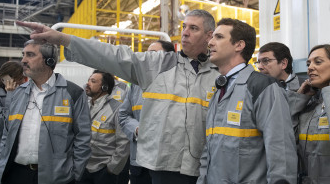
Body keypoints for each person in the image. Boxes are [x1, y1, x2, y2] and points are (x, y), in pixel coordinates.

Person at [17, 9, 220, 184]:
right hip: (165, 168)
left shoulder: (220, 73)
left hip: (206, 167)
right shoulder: (159, 65)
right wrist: (62, 38)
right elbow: (112, 55)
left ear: (209, 35)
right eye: (184, 27)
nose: (185, 33)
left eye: (193, 28)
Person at [197, 18, 297, 184]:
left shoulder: (262, 87)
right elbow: (210, 147)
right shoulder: (219, 89)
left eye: (219, 37)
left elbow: (280, 148)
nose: (210, 43)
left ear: (239, 45)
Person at [0, 40, 91, 184]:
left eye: (30, 55)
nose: (23, 60)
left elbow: (83, 138)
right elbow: (7, 134)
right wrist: (1, 162)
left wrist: (74, 173)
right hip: (16, 174)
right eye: (23, 55)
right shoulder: (18, 93)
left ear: (49, 60)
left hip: (56, 178)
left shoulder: (73, 93)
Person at [118, 40, 175, 184]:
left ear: (168, 57)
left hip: (167, 163)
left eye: (153, 54)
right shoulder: (136, 85)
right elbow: (123, 114)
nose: (148, 58)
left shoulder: (178, 84)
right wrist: (137, 129)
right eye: (147, 54)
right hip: (139, 162)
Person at [80, 70, 129, 184]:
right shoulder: (83, 106)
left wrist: (112, 168)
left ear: (104, 87)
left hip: (104, 170)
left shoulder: (117, 109)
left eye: (93, 81)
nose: (88, 83)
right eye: (88, 80)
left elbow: (123, 142)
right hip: (83, 167)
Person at [290, 44, 330, 184]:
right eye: (308, 63)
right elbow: (286, 137)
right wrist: (299, 99)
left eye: (317, 62)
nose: (310, 67)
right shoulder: (311, 105)